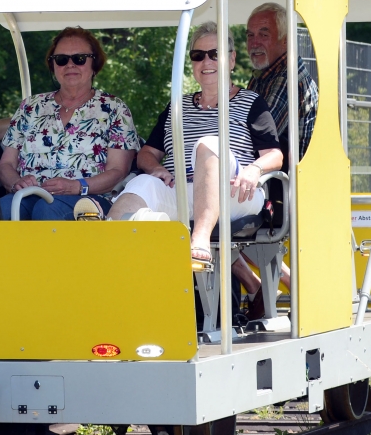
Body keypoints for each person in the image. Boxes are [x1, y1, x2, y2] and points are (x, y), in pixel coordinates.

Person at [109, 23, 285, 269]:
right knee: (141, 183)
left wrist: (255, 169)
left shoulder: (250, 102)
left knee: (208, 144)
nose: (207, 61)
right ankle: (113, 246)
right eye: (198, 56)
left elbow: (275, 155)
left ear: (231, 59)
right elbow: (147, 154)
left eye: (216, 54)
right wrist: (155, 169)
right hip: (182, 191)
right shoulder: (176, 107)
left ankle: (199, 241)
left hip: (233, 193)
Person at [0, 27, 138, 219]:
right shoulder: (30, 107)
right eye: (61, 60)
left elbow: (118, 171)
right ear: (53, 66)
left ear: (94, 64)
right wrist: (16, 183)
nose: (70, 65)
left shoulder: (114, 108)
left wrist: (77, 186)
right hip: (29, 194)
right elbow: (6, 164)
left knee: (46, 210)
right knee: (2, 208)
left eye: (79, 58)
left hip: (88, 199)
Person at [243, 2, 318, 166]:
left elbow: (255, 138)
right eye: (250, 35)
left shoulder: (288, 78)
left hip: (290, 188)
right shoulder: (262, 75)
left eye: (264, 35)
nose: (254, 43)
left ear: (285, 41)